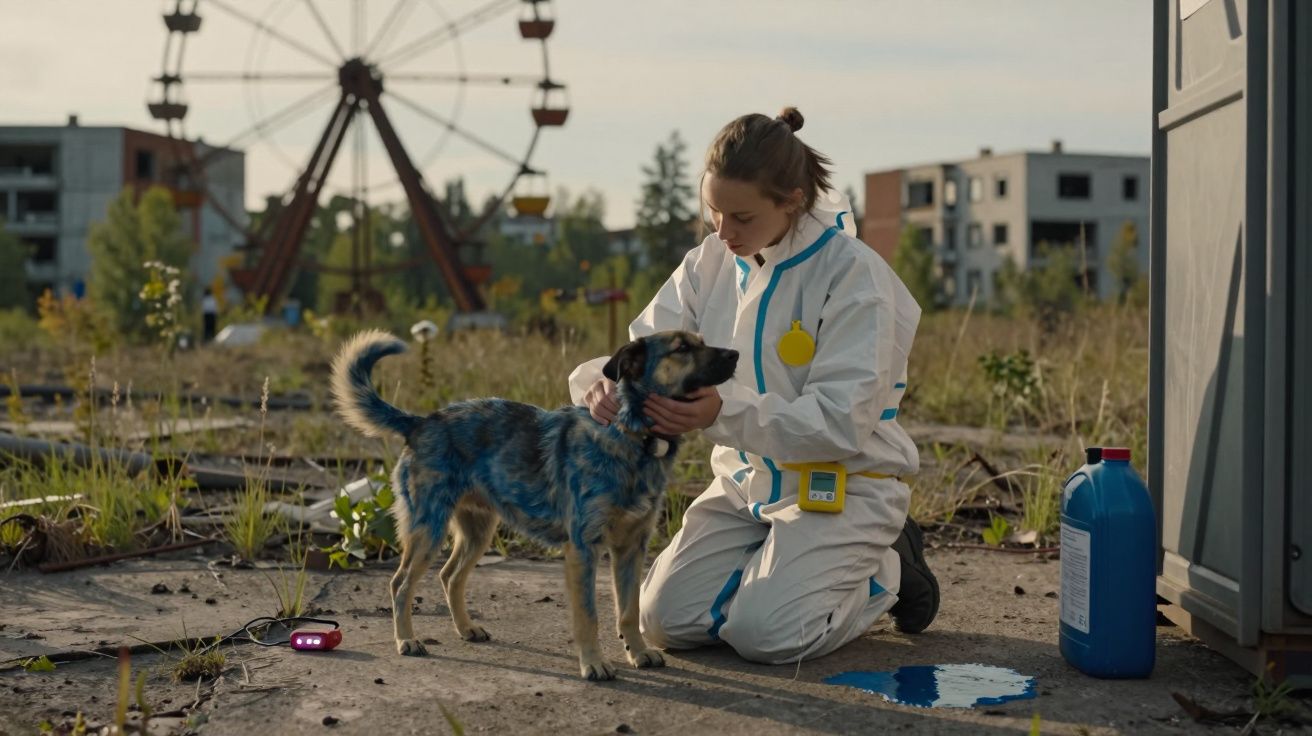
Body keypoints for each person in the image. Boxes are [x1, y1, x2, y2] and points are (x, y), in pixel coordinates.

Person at [568, 107, 938, 665]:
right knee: (663, 622)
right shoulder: (708, 264)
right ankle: (780, 573)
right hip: (745, 485)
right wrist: (598, 383)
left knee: (769, 636)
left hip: (844, 482)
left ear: (792, 200)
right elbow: (641, 348)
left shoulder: (853, 277)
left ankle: (886, 567)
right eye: (712, 211)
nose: (723, 232)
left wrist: (719, 413)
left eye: (740, 216)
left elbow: (840, 422)